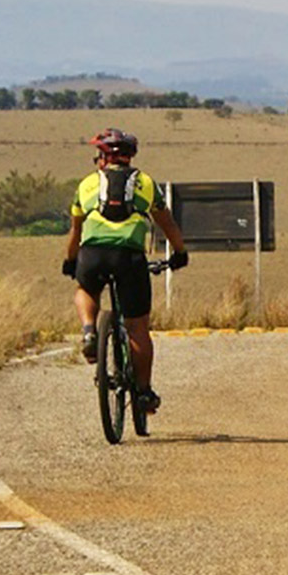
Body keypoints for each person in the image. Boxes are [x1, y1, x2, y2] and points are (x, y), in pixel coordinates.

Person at [62, 128, 189, 415]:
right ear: (129, 157)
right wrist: (180, 253)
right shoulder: (145, 183)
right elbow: (167, 224)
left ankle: (89, 332)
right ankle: (143, 393)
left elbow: (75, 229)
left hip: (92, 255)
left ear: (104, 159)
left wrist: (70, 260)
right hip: (130, 259)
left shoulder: (86, 185)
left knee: (85, 289)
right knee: (137, 327)